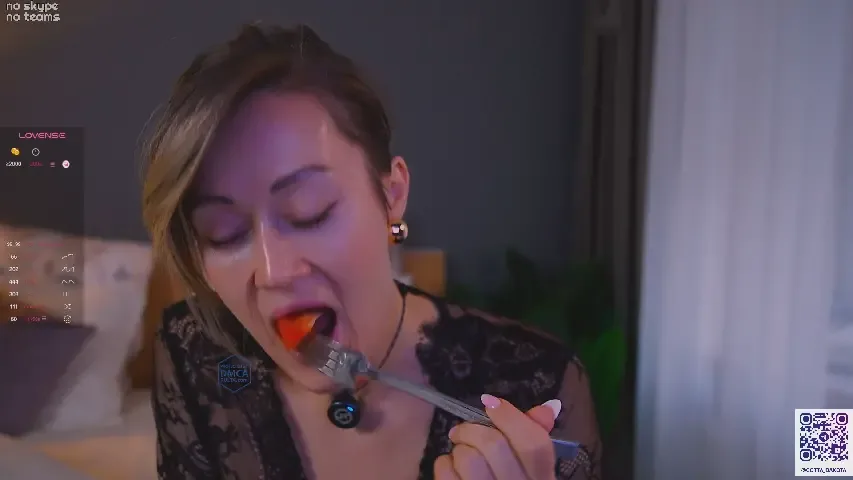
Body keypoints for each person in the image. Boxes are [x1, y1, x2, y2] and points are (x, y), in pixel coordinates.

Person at [141, 23, 602, 480]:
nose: (273, 271)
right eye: (222, 233)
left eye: (310, 211)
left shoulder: (540, 385)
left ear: (392, 195)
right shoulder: (198, 354)